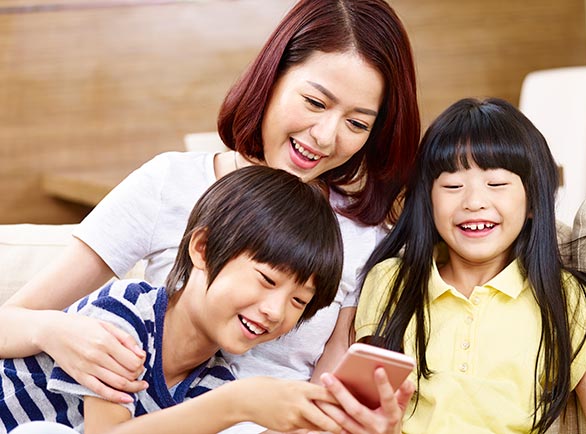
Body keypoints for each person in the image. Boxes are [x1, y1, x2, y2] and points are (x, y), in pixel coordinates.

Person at [0, 0, 420, 432]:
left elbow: (324, 401)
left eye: (357, 123)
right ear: (272, 78)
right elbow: (9, 323)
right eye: (315, 102)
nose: (326, 137)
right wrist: (57, 331)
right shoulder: (170, 184)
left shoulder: (365, 236)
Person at [1, 166, 347, 434]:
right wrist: (237, 404)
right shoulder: (126, 315)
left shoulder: (213, 381)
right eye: (267, 280)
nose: (275, 311)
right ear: (203, 249)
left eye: (298, 302)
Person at [355, 97, 586, 433]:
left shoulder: (564, 297)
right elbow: (363, 408)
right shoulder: (392, 282)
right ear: (427, 200)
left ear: (532, 202)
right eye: (453, 186)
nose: (474, 202)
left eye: (496, 184)